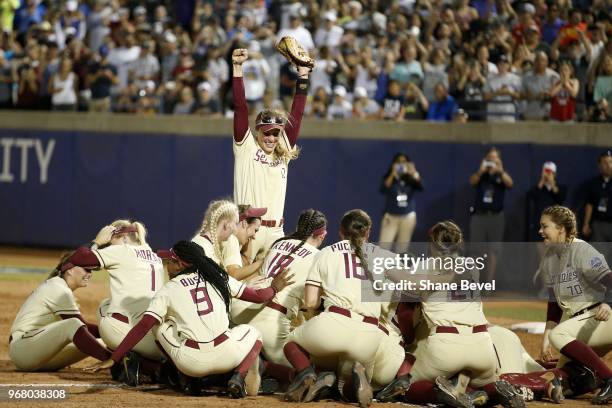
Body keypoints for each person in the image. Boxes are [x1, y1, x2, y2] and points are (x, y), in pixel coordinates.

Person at [85, 240, 294, 398]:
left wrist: (115, 357)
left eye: (170, 260)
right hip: (228, 354)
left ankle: (186, 380)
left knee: (159, 325)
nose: (167, 264)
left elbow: (142, 327)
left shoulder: (168, 289)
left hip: (190, 363)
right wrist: (275, 287)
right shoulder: (218, 277)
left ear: (180, 264)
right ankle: (238, 376)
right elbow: (259, 297)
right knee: (254, 333)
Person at [399, 221, 527, 408]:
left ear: (432, 244)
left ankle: (443, 393)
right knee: (480, 381)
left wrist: (408, 339)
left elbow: (405, 313)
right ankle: (496, 389)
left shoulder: (422, 268)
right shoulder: (473, 267)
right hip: (483, 346)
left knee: (405, 385)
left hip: (446, 344)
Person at [282, 209, 384, 407]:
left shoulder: (326, 253)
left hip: (334, 323)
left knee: (291, 341)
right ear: (368, 232)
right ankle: (351, 378)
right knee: (347, 388)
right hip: (370, 336)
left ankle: (308, 373)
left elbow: (310, 303)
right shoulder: (381, 257)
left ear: (340, 232)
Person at [231, 47, 310, 262]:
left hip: (276, 232)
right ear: (258, 132)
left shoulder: (282, 152)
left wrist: (303, 77)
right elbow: (240, 108)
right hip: (248, 228)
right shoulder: (246, 147)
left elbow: (297, 115)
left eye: (276, 133)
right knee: (240, 285)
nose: (271, 138)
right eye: (267, 133)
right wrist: (237, 69)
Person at [538, 205, 612, 404]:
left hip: (602, 319)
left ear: (561, 228)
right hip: (582, 325)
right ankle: (594, 378)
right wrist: (545, 339)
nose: (540, 231)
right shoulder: (549, 260)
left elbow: (609, 280)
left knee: (559, 334)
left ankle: (609, 379)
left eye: (545, 226)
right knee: (564, 379)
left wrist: (609, 303)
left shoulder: (581, 249)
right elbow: (554, 305)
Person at [248, 209, 327, 367]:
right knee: (314, 366)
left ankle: (254, 359)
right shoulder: (319, 257)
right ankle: (265, 367)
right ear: (322, 234)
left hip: (247, 310)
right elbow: (312, 304)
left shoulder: (279, 242)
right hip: (272, 323)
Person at [9, 252, 110, 371]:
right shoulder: (58, 288)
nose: (89, 274)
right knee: (73, 324)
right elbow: (81, 326)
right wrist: (111, 348)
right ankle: (117, 363)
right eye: (86, 270)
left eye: (91, 271)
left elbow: (83, 332)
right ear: (70, 270)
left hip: (39, 352)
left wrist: (115, 341)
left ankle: (118, 359)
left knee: (103, 342)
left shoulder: (59, 286)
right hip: (23, 348)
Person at [469, 147, 514, 282]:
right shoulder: (481, 174)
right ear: (485, 159)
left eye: (495, 158)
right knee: (475, 250)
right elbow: (472, 181)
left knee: (493, 251)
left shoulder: (501, 175)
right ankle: (474, 282)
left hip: (496, 217)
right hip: (479, 216)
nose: (492, 160)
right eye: (490, 157)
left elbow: (510, 184)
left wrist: (500, 171)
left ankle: (488, 284)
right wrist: (481, 170)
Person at [379, 153, 423, 254]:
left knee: (402, 249)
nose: (401, 165)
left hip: (407, 217)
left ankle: (400, 269)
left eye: (404, 162)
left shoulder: (411, 178)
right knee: (383, 247)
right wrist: (393, 174)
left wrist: (414, 172)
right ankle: (380, 269)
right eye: (398, 162)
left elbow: (421, 186)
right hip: (391, 216)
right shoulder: (390, 177)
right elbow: (383, 189)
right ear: (393, 164)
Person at [583, 151, 612, 242]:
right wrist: (586, 223)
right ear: (599, 165)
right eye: (605, 162)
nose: (608, 165)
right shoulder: (594, 184)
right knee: (599, 253)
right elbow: (589, 204)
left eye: (610, 162)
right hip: (599, 224)